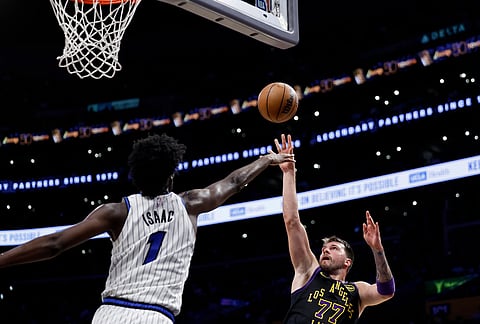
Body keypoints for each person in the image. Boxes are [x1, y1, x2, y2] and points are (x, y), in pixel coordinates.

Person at [0, 133, 295, 324]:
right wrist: (268, 159)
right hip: (156, 316)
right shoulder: (191, 203)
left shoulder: (115, 212)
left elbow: (55, 243)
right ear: (171, 174)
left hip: (110, 314)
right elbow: (233, 182)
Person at [274, 133, 395, 324]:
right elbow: (292, 221)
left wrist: (377, 250)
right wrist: (289, 173)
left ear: (347, 262)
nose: (325, 250)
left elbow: (386, 291)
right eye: (325, 248)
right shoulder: (308, 272)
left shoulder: (358, 292)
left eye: (334, 248)